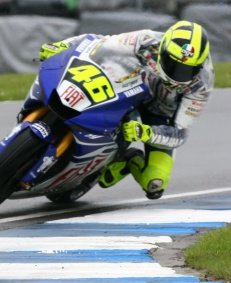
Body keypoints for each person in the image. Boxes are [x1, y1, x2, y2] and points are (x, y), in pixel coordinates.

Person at [18, 20, 213, 199]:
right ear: (162, 49)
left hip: (160, 116)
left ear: (199, 65)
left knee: (155, 184)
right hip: (130, 90)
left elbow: (180, 134)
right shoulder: (145, 40)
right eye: (172, 63)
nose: (177, 73)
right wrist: (63, 46)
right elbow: (96, 42)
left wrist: (147, 133)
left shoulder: (201, 85)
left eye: (186, 70)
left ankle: (127, 160)